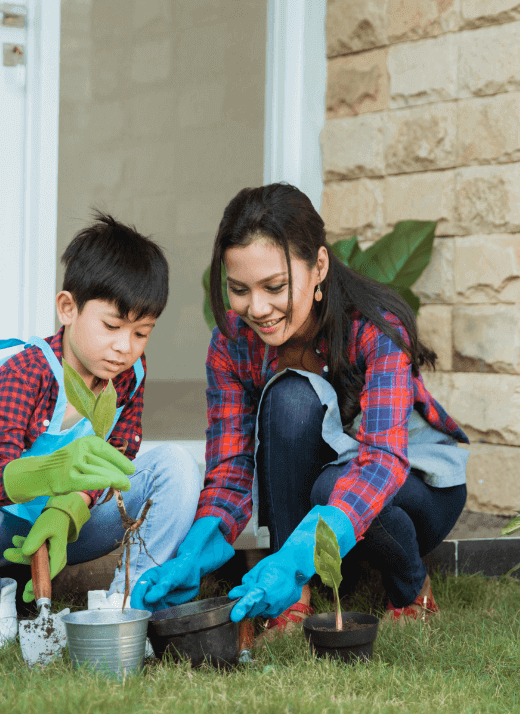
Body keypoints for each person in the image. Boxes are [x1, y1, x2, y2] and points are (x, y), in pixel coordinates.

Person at [131, 183, 468, 638]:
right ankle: (297, 599)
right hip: (326, 512)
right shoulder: (233, 344)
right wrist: (195, 552)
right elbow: (231, 469)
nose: (258, 308)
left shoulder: (374, 332)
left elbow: (383, 462)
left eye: (274, 286)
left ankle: (410, 587)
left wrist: (290, 559)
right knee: (289, 399)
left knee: (336, 481)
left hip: (416, 491)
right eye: (239, 289)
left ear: (319, 267)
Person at [0, 213, 200, 653]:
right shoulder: (26, 374)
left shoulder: (128, 374)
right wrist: (53, 473)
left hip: (71, 531)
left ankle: (125, 603)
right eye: (112, 326)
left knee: (176, 465)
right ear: (68, 308)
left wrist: (67, 509)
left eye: (142, 332)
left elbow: (119, 455)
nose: (125, 346)